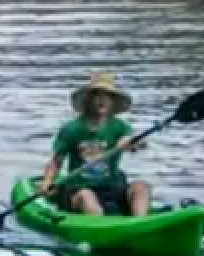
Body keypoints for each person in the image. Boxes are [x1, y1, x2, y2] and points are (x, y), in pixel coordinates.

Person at [38, 73, 151, 217]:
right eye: (97, 95)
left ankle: (139, 224)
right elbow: (56, 161)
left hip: (112, 188)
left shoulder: (119, 127)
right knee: (87, 197)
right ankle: (101, 228)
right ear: (88, 99)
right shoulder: (71, 129)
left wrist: (133, 143)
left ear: (113, 102)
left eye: (107, 96)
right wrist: (47, 182)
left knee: (142, 187)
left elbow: (139, 143)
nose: (101, 100)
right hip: (79, 189)